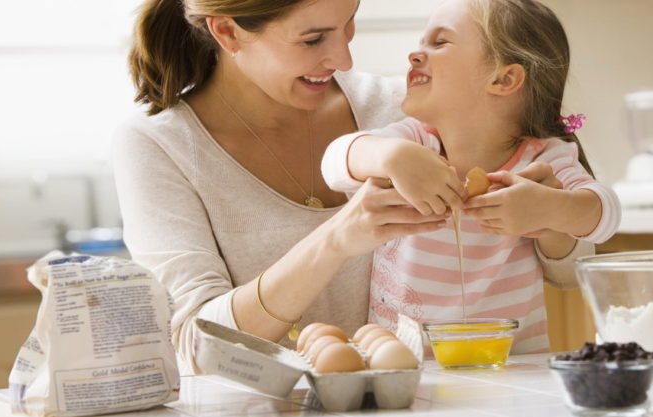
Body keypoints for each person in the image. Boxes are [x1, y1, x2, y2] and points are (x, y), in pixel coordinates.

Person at [114, 0, 460, 372]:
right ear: (228, 32)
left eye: (348, 24)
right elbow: (196, 345)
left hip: (417, 409)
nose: (343, 60)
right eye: (313, 40)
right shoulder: (161, 144)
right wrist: (335, 241)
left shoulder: (400, 109)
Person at [321, 0, 620, 353]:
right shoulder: (415, 142)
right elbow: (334, 163)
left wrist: (551, 210)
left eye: (440, 42)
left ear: (504, 78)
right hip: (406, 369)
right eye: (421, 41)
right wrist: (389, 156)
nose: (415, 54)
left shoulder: (540, 160)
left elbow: (606, 213)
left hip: (511, 372)